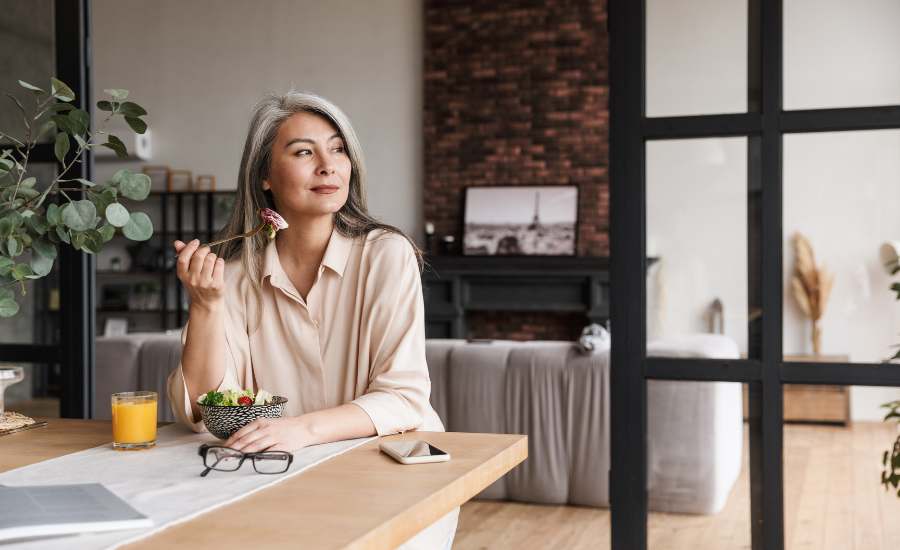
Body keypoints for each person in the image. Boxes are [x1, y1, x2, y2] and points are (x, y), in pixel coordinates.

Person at [166, 91, 457, 549]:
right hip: (279, 473)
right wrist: (205, 306)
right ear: (265, 176)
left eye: (338, 148)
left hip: (390, 473)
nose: (329, 165)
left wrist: (299, 429)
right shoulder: (237, 274)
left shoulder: (385, 254)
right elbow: (208, 408)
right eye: (304, 151)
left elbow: (404, 397)